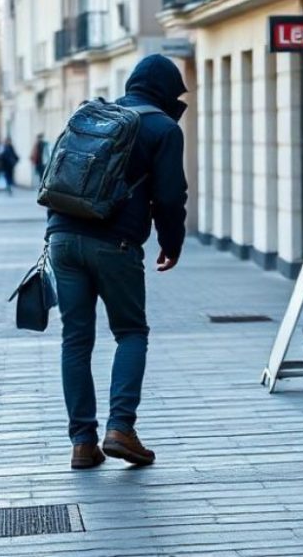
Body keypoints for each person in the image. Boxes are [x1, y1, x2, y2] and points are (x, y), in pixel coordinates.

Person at [45, 55, 188, 470]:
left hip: (62, 236)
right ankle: (120, 428)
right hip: (114, 243)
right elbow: (168, 196)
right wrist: (171, 242)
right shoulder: (163, 128)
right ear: (165, 91)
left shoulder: (93, 115)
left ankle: (82, 444)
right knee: (131, 332)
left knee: (75, 339)